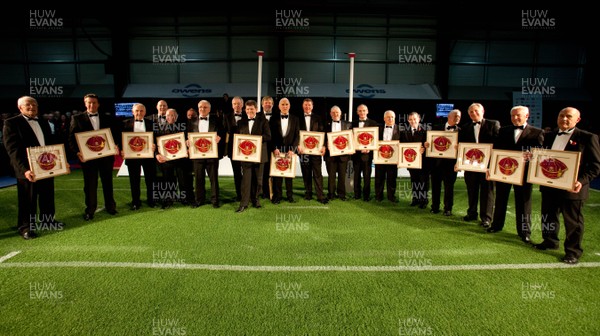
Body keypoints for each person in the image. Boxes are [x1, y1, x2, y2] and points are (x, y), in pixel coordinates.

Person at [533, 107, 600, 264]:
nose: (564, 119)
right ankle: (550, 241)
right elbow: (545, 159)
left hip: (572, 188)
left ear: (577, 119)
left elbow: (596, 166)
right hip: (549, 185)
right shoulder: (548, 136)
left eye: (568, 116)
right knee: (548, 216)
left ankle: (573, 251)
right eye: (561, 115)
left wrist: (581, 181)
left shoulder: (588, 137)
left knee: (573, 222)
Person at [3, 96, 63, 239]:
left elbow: (50, 145)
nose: (32, 107)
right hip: (27, 169)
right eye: (28, 105)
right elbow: (12, 150)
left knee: (47, 196)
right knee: (27, 199)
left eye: (34, 104)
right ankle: (25, 227)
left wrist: (60, 161)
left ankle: (48, 221)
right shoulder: (11, 123)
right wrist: (25, 170)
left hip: (46, 166)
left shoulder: (43, 121)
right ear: (20, 108)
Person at [486, 106, 544, 244]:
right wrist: (490, 168)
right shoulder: (503, 130)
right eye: (512, 115)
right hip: (503, 172)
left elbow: (541, 155)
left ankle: (524, 232)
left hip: (524, 175)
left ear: (527, 115)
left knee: (524, 203)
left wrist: (533, 156)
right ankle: (496, 225)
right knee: (500, 199)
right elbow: (495, 151)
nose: (515, 118)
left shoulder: (537, 132)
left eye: (518, 115)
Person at [69, 93, 119, 221]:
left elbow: (114, 135)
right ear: (85, 104)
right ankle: (90, 210)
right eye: (89, 103)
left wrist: (115, 146)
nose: (91, 105)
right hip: (88, 159)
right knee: (90, 185)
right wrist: (77, 152)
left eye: (94, 102)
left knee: (108, 182)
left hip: (106, 158)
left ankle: (111, 207)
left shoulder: (107, 118)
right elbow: (71, 139)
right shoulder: (77, 118)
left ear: (98, 104)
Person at [458, 102, 500, 228]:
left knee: (487, 192)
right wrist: (459, 162)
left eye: (476, 111)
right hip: (471, 166)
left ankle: (486, 218)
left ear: (483, 111)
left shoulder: (493, 124)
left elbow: (498, 144)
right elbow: (462, 148)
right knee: (472, 190)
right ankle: (471, 213)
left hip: (487, 166)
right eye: (471, 112)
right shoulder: (465, 127)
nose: (473, 113)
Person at [235, 100, 271, 213]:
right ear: (245, 110)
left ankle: (255, 200)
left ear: (256, 109)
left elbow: (268, 136)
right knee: (246, 180)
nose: (250, 111)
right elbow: (238, 139)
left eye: (252, 109)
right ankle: (244, 203)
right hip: (246, 156)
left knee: (258, 180)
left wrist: (256, 140)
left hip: (260, 155)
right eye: (248, 109)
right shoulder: (241, 122)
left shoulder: (263, 121)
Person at [155, 108, 194, 208]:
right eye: (168, 115)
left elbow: (189, 141)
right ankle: (168, 200)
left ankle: (184, 199)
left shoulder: (184, 129)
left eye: (173, 115)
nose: (171, 117)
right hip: (167, 160)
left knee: (183, 180)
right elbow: (155, 144)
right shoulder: (160, 129)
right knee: (168, 180)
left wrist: (188, 145)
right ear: (165, 117)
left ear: (176, 117)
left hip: (181, 160)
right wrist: (156, 154)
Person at [121, 103, 157, 210]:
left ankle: (151, 200)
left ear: (145, 112)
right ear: (132, 112)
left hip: (148, 156)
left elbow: (156, 138)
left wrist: (155, 145)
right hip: (132, 157)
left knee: (150, 180)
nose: (139, 113)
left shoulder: (152, 123)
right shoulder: (124, 123)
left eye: (141, 111)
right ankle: (136, 202)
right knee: (134, 181)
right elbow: (120, 139)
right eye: (137, 111)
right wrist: (122, 149)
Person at [188, 100, 224, 208]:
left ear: (209, 109)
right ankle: (199, 200)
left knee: (213, 179)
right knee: (198, 179)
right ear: (198, 108)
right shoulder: (191, 121)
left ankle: (215, 201)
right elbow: (187, 135)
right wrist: (187, 141)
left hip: (212, 155)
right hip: (197, 155)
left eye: (205, 107)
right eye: (200, 107)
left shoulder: (217, 120)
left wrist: (219, 137)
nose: (202, 109)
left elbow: (222, 132)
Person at [427, 109, 461, 216]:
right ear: (449, 117)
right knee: (435, 187)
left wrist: (460, 149)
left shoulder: (461, 130)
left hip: (451, 165)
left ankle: (448, 208)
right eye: (456, 116)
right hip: (436, 164)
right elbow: (428, 143)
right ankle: (435, 206)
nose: (458, 118)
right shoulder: (436, 128)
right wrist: (427, 144)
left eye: (459, 117)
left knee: (449, 188)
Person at [269, 97, 299, 204]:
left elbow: (297, 136)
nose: (285, 106)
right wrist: (274, 148)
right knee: (277, 174)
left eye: (286, 104)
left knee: (289, 174)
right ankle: (278, 196)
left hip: (290, 150)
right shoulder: (273, 119)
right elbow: (270, 135)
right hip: (277, 150)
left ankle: (290, 196)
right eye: (282, 104)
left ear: (289, 106)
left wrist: (293, 150)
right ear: (278, 106)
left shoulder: (295, 119)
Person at [298, 98, 328, 204]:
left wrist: (324, 146)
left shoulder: (318, 118)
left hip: (316, 151)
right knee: (306, 173)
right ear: (303, 106)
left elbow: (323, 133)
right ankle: (308, 193)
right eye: (305, 105)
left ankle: (320, 196)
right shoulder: (297, 118)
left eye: (309, 105)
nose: (307, 107)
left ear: (312, 106)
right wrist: (297, 145)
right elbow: (295, 134)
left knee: (317, 173)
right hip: (303, 151)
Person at [400, 111, 429, 208]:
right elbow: (403, 146)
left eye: (415, 119)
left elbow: (428, 145)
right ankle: (415, 199)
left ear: (419, 119)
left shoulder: (426, 131)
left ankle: (423, 201)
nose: (413, 121)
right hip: (411, 162)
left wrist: (424, 148)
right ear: (408, 120)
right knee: (414, 181)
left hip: (423, 162)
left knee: (423, 182)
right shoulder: (404, 132)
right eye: (411, 119)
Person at [325, 105, 353, 201]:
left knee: (342, 175)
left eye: (337, 112)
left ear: (340, 114)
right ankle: (331, 194)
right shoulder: (326, 124)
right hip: (330, 155)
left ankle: (342, 194)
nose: (335, 114)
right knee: (331, 176)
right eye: (333, 112)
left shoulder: (348, 125)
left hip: (343, 155)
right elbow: (322, 138)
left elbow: (351, 139)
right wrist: (326, 144)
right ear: (330, 114)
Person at [351, 104, 378, 201]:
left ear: (367, 111)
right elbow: (351, 139)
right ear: (357, 112)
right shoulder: (353, 124)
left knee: (367, 176)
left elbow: (375, 139)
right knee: (356, 176)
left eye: (364, 110)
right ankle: (357, 194)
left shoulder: (373, 123)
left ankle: (366, 196)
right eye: (360, 111)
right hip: (356, 155)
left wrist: (370, 148)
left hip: (367, 155)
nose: (362, 112)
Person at [374, 110, 400, 203]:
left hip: (393, 158)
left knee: (392, 178)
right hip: (380, 158)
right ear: (384, 118)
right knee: (379, 178)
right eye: (388, 117)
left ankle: (391, 196)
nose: (390, 119)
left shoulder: (400, 129)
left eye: (392, 117)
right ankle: (378, 196)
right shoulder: (378, 129)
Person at [223, 96, 245, 201]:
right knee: (237, 174)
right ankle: (239, 195)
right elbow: (224, 133)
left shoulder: (248, 115)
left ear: (242, 104)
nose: (236, 105)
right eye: (234, 104)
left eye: (238, 103)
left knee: (247, 174)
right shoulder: (227, 116)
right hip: (233, 150)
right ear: (232, 105)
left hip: (247, 150)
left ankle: (248, 195)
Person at [259, 95, 275, 199]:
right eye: (266, 102)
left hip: (275, 148)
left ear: (272, 105)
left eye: (269, 103)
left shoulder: (277, 116)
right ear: (262, 104)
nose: (268, 104)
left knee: (274, 170)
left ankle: (274, 193)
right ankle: (264, 192)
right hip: (262, 148)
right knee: (263, 171)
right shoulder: (257, 116)